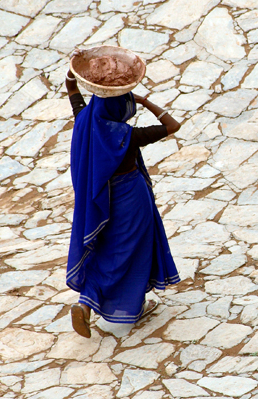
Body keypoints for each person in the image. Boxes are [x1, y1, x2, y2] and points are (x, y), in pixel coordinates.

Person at [64, 62, 182, 338]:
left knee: (104, 249)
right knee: (134, 251)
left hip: (100, 201)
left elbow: (72, 88)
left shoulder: (84, 119)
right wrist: (145, 100)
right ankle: (133, 306)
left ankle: (86, 304)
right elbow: (171, 125)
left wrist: (74, 69)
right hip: (131, 198)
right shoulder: (127, 136)